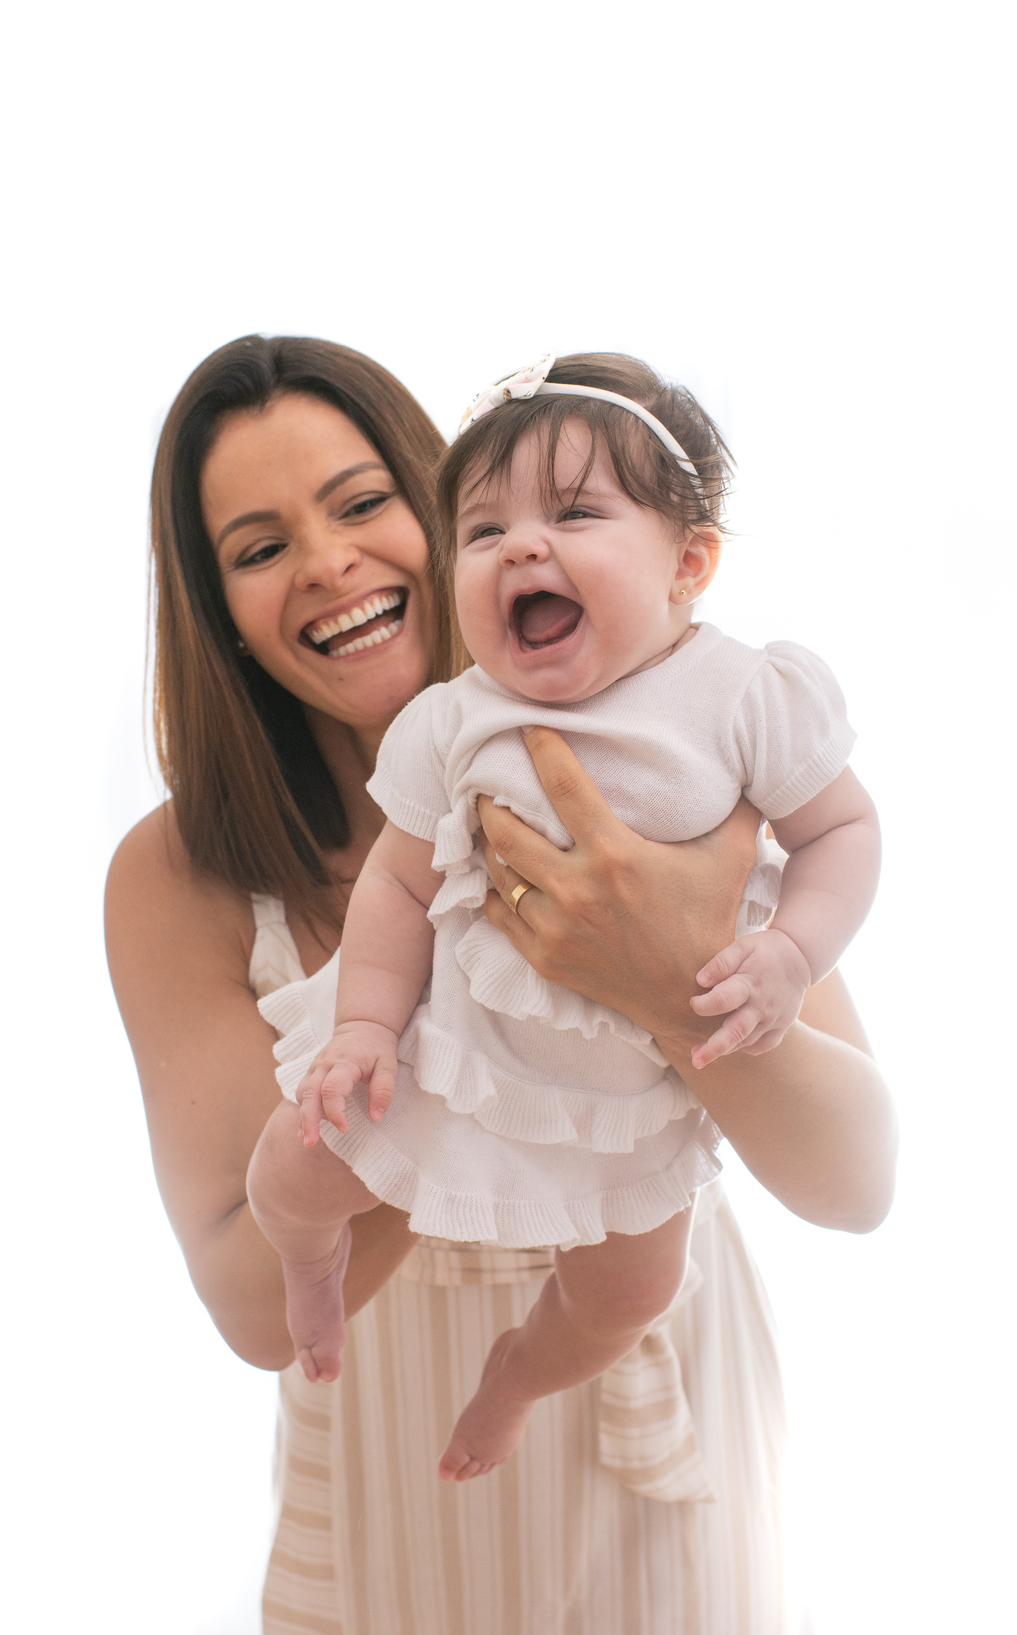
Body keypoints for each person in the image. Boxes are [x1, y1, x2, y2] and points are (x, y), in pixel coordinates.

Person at [105, 334, 898, 1635]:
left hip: (662, 1409)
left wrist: (659, 980)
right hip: (393, 1459)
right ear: (220, 614)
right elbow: (252, 1310)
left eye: (362, 502)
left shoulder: (682, 748)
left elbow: (857, 1185)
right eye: (258, 548)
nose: (326, 563)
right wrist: (444, 1057)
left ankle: (531, 1371)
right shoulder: (186, 871)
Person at [244, 352, 881, 1483]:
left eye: (576, 513)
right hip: (453, 1052)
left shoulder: (744, 698)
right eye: (484, 530)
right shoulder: (454, 720)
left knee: (628, 1293)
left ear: (690, 563)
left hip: (632, 1093)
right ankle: (310, 1266)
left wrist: (791, 952)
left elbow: (843, 832)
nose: (522, 547)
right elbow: (396, 887)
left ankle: (520, 1375)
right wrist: (365, 1029)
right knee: (288, 1172)